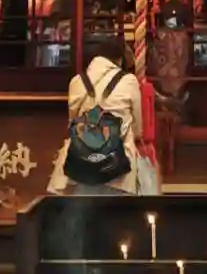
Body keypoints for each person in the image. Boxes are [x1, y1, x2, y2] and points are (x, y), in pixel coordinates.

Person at [45, 39, 159, 196]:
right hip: (119, 166)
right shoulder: (129, 81)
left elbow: (72, 122)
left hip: (80, 163)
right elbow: (138, 130)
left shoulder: (77, 81)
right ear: (119, 60)